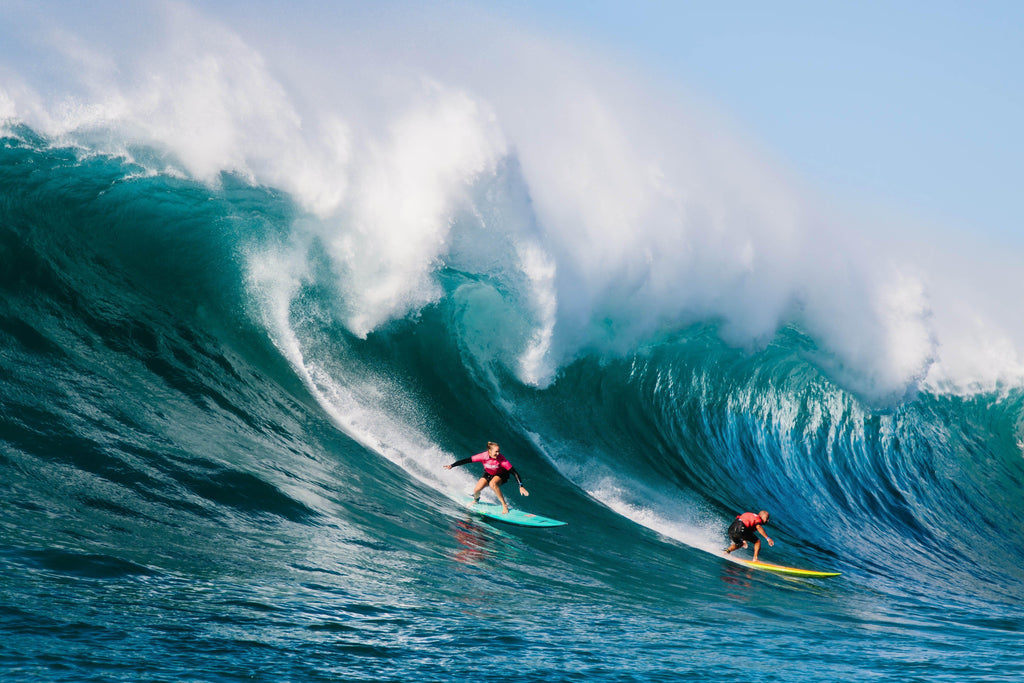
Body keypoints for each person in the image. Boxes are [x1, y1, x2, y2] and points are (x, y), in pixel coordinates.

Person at [444, 441, 528, 514]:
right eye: (496, 452)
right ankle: (476, 500)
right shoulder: (483, 456)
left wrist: (521, 486)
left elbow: (514, 472)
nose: (498, 454)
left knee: (493, 484)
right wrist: (452, 465)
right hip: (488, 474)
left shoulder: (501, 459)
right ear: (489, 451)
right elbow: (466, 460)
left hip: (502, 475)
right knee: (476, 489)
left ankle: (504, 505)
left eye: (499, 451)